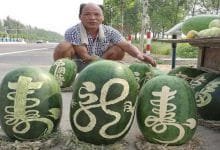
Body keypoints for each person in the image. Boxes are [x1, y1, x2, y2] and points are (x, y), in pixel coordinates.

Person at [53, 2, 156, 72]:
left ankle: (105, 73)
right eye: (87, 14)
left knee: (119, 48)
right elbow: (85, 56)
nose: (92, 18)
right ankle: (64, 75)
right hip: (78, 65)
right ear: (80, 17)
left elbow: (126, 45)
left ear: (102, 17)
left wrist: (140, 55)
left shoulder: (109, 31)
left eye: (97, 14)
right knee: (63, 46)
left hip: (101, 61)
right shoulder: (73, 31)